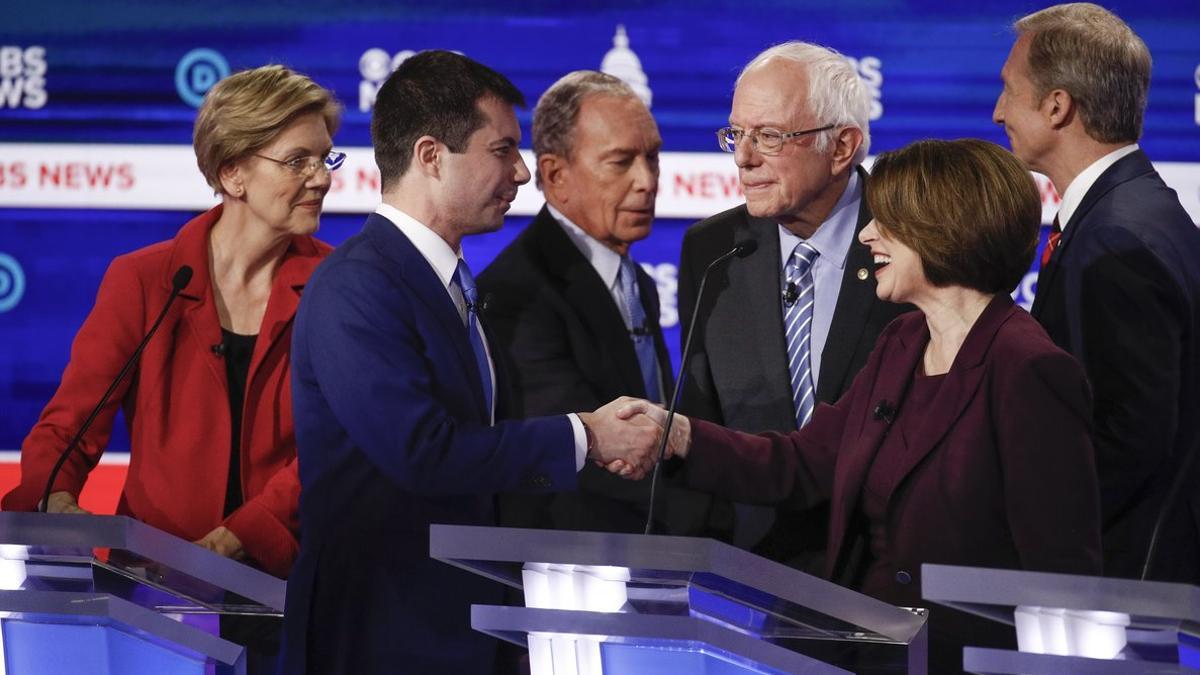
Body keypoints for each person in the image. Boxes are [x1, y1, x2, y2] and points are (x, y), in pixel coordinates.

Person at [624, 139, 1102, 672]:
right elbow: (805, 462)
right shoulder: (903, 341)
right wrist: (680, 435)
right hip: (860, 649)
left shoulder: (1028, 369)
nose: (867, 234)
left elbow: (1061, 578)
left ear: (943, 226)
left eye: (887, 221)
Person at [282, 51, 661, 675]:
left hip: (470, 629)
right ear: (432, 156)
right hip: (380, 637)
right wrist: (585, 436)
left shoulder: (452, 282)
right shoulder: (357, 285)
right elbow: (422, 452)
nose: (521, 171)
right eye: (502, 150)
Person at [2, 64, 342, 671]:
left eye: (324, 158)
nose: (320, 178)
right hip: (152, 595)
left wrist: (237, 537)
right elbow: (70, 423)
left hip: (291, 587)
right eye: (298, 161)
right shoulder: (146, 280)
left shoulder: (339, 287)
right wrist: (55, 500)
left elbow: (338, 442)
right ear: (233, 173)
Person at [678, 41, 910, 563]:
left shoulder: (917, 241)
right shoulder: (711, 251)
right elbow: (703, 421)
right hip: (751, 570)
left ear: (842, 147)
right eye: (736, 134)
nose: (743, 157)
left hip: (881, 571)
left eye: (769, 136)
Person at [994, 3, 1200, 582]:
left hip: (1125, 579)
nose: (998, 111)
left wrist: (1035, 540)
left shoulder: (1116, 237)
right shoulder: (1133, 208)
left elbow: (1132, 438)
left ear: (1057, 106)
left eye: (1009, 89)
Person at [478, 70, 715, 536]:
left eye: (652, 157)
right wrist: (720, 515)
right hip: (570, 557)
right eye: (621, 162)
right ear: (556, 175)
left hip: (644, 549)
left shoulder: (635, 280)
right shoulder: (517, 293)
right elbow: (583, 459)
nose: (647, 181)